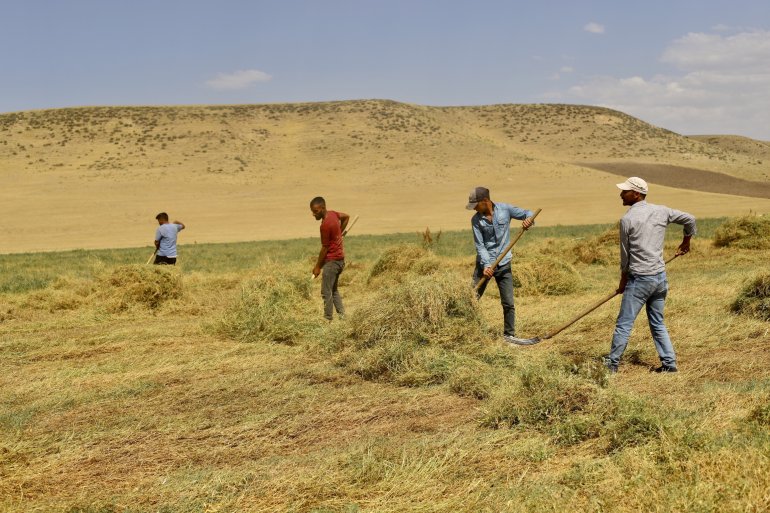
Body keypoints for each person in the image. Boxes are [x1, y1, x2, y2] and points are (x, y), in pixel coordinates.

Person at [605, 177, 696, 374]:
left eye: (625, 191)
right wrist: (686, 240)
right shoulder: (661, 211)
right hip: (659, 278)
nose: (621, 194)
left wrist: (623, 282)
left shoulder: (627, 220)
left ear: (636, 194)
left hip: (640, 280)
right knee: (657, 322)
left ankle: (611, 366)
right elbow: (690, 218)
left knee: (624, 324)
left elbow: (625, 256)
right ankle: (669, 364)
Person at [467, 187, 534, 343]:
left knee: (508, 302)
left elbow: (528, 213)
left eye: (476, 205)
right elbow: (480, 245)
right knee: (471, 298)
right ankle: (466, 331)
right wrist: (486, 265)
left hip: (504, 264)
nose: (474, 209)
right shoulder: (476, 221)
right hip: (484, 266)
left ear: (485, 201)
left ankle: (509, 335)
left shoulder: (505, 209)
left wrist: (528, 220)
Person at [310, 197, 350, 321]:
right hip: (340, 260)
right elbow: (346, 217)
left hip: (332, 263)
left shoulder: (325, 226)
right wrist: (339, 233)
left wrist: (317, 267)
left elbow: (324, 248)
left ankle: (327, 319)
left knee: (326, 292)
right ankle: (343, 317)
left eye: (315, 211)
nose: (313, 214)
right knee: (333, 290)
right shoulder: (332, 214)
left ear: (322, 208)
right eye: (312, 211)